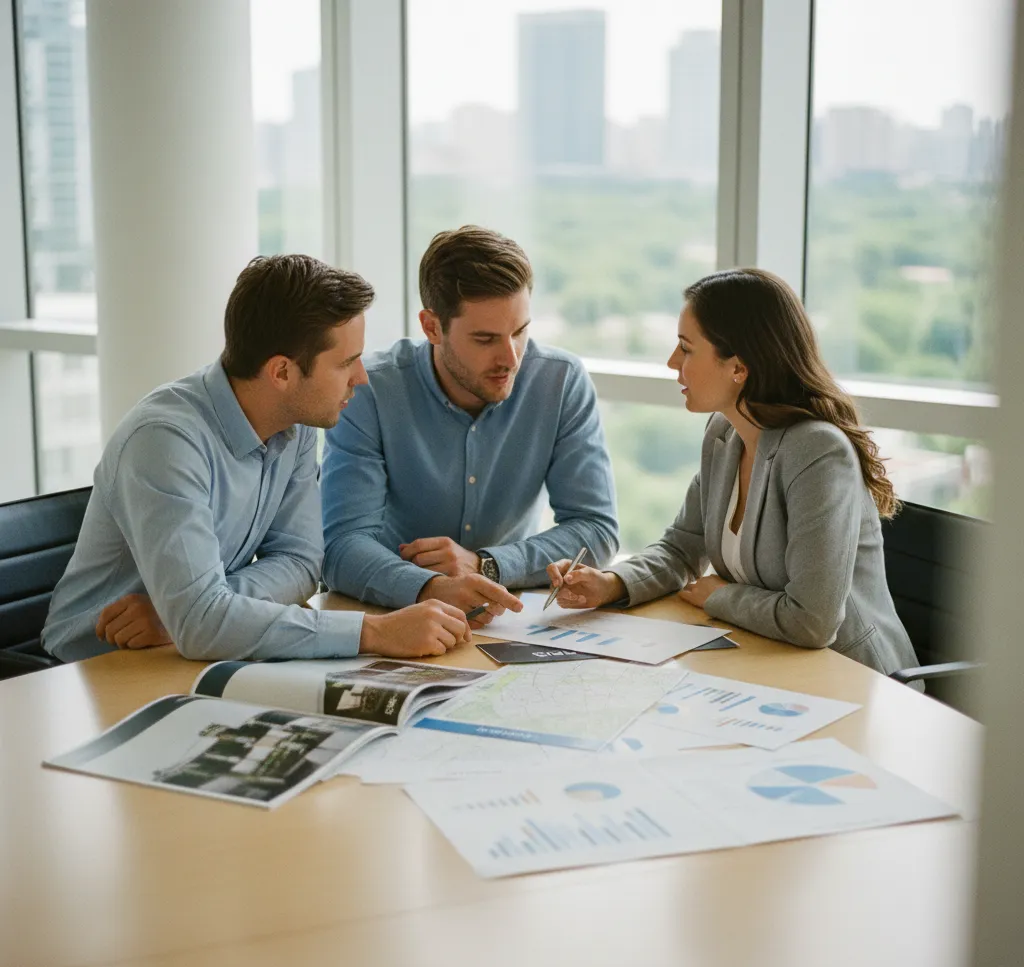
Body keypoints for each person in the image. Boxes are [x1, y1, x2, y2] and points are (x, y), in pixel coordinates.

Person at [42, 255, 473, 663]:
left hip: (184, 653)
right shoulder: (165, 440)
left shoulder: (297, 422)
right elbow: (202, 622)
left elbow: (304, 564)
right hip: (85, 670)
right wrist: (373, 633)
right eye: (346, 363)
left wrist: (199, 610)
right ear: (282, 372)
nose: (361, 378)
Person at [546, 267, 917, 676]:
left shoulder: (817, 452)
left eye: (686, 349)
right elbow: (680, 549)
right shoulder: (725, 433)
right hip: (767, 662)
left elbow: (813, 621)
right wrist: (611, 583)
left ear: (738, 367)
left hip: (851, 678)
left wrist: (719, 596)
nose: (673, 362)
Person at [320, 225, 619, 623]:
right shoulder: (369, 391)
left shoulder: (560, 382)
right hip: (394, 616)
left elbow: (595, 527)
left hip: (512, 621)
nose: (511, 358)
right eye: (485, 339)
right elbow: (342, 546)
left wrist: (485, 565)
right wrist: (428, 587)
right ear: (431, 327)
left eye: (520, 331)